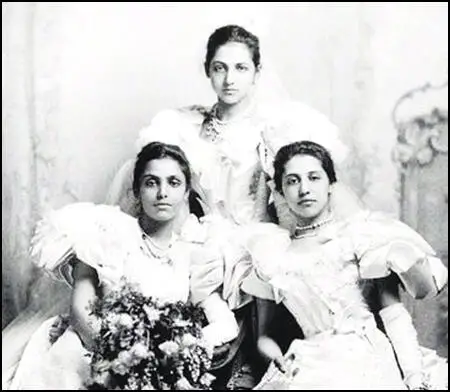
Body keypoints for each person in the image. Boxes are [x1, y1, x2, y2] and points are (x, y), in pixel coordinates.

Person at [105, 24, 357, 389]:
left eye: (241, 68)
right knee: (186, 279)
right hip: (203, 233)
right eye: (220, 67)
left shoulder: (275, 129)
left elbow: (298, 190)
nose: (229, 79)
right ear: (208, 70)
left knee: (260, 264)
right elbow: (165, 184)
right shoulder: (184, 127)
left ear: (257, 73)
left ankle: (250, 365)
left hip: (256, 235)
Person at [6, 142, 239, 390]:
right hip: (88, 355)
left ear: (185, 193)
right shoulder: (107, 233)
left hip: (154, 370)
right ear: (137, 191)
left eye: (173, 183)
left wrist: (179, 348)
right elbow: (79, 312)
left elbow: (225, 323)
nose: (162, 193)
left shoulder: (193, 253)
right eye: (151, 182)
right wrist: (123, 361)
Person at [240, 141, 448, 390]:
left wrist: (414, 376)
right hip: (309, 363)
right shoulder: (274, 256)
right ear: (281, 191)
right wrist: (277, 358)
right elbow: (265, 335)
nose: (304, 189)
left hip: (367, 361)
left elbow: (394, 314)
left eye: (314, 178)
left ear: (330, 185)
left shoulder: (360, 237)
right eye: (292, 181)